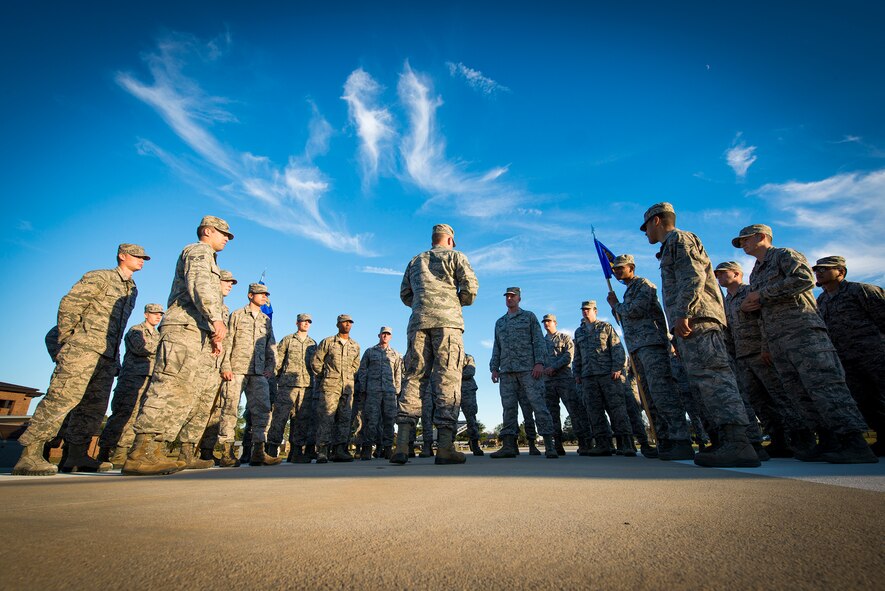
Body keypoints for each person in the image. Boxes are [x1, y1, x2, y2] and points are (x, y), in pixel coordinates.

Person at [736, 222, 875, 463]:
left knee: (824, 385)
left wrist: (762, 295)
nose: (743, 244)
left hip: (803, 333)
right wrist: (759, 326)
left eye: (746, 239)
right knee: (799, 392)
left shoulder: (784, 255)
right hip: (777, 338)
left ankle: (854, 442)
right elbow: (763, 309)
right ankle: (828, 439)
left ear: (761, 237)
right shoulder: (756, 271)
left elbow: (804, 279)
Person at [641, 203, 759, 467]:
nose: (645, 232)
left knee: (713, 377)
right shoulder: (671, 244)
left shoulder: (680, 239)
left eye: (646, 226)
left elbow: (692, 276)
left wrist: (683, 312)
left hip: (698, 320)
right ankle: (723, 439)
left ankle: (739, 442)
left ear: (657, 221)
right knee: (702, 381)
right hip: (690, 321)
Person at [14, 243, 145, 476]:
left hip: (106, 355)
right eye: (136, 256)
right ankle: (30, 453)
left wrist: (114, 357)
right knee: (61, 398)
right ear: (122, 256)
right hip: (83, 348)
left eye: (143, 257)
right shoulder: (100, 277)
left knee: (93, 407)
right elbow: (70, 305)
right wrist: (67, 342)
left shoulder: (131, 289)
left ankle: (76, 454)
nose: (141, 260)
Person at [123, 216, 232, 476]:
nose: (226, 238)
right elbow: (200, 286)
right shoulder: (199, 251)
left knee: (183, 392)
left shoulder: (209, 257)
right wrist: (216, 318)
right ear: (207, 231)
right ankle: (141, 452)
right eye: (223, 233)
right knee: (168, 387)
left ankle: (155, 449)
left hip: (195, 330)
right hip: (183, 328)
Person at [392, 224, 478, 465]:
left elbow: (405, 294)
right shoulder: (456, 256)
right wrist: (452, 304)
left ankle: (401, 446)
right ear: (450, 240)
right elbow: (470, 290)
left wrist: (423, 306)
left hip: (418, 323)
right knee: (447, 378)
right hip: (447, 324)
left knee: (413, 377)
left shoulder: (415, 261)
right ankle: (445, 447)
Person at [715, 261, 806, 458]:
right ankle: (778, 439)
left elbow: (764, 319)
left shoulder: (750, 292)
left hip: (760, 352)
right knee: (758, 401)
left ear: (737, 274)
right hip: (742, 355)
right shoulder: (725, 301)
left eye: (723, 273)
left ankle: (801, 437)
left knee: (779, 395)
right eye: (717, 274)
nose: (719, 277)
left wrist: (766, 346)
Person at [606, 254, 693, 460]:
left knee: (662, 392)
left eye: (621, 268)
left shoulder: (643, 285)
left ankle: (681, 439)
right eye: (615, 269)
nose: (617, 272)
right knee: (649, 397)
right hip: (637, 348)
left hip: (652, 344)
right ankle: (664, 440)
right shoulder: (628, 292)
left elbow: (635, 310)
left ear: (631, 268)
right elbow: (624, 320)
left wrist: (615, 304)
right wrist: (617, 306)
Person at [813, 256, 885, 456]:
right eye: (817, 270)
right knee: (865, 399)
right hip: (845, 358)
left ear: (841, 272)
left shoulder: (860, 290)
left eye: (825, 269)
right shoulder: (822, 300)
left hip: (873, 353)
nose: (819, 273)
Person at [215, 283, 279, 467]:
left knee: (262, 411)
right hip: (236, 369)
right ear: (250, 295)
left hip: (258, 372)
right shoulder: (237, 315)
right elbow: (228, 340)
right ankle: (227, 453)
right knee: (230, 409)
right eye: (260, 294)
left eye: (266, 294)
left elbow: (271, 346)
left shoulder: (265, 320)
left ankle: (258, 452)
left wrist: (270, 367)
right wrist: (225, 366)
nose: (264, 297)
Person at [489, 287, 557, 459]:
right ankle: (509, 446)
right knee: (508, 408)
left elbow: (539, 341)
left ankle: (549, 445)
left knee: (538, 405)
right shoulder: (500, 322)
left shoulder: (529, 317)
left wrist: (539, 363)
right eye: (507, 296)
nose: (509, 299)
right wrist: (494, 368)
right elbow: (497, 346)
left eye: (513, 296)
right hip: (507, 372)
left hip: (529, 370)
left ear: (519, 298)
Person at [97, 303, 164, 468]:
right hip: (131, 378)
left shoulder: (157, 335)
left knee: (137, 417)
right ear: (146, 314)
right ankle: (106, 451)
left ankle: (122, 451)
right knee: (123, 414)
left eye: (160, 314)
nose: (157, 316)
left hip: (148, 378)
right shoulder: (136, 331)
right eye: (154, 313)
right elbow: (142, 348)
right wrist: (165, 348)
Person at [572, 300, 634, 457]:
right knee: (594, 410)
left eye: (588, 309)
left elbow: (617, 348)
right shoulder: (579, 332)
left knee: (617, 409)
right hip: (588, 376)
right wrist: (577, 373)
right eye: (583, 310)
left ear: (595, 311)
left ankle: (625, 444)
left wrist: (617, 367)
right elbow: (577, 355)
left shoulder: (606, 327)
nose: (585, 312)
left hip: (608, 374)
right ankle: (603, 444)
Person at [311, 315, 361, 463]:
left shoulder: (355, 346)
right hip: (330, 385)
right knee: (326, 416)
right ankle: (322, 450)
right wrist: (324, 378)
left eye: (350, 323)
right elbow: (316, 362)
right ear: (338, 324)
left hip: (347, 387)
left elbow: (355, 365)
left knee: (345, 418)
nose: (347, 325)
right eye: (344, 322)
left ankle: (339, 449)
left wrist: (348, 377)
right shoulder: (328, 342)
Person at [268, 313, 317, 463]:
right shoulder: (288, 340)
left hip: (306, 386)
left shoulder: (312, 344)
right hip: (287, 385)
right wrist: (277, 378)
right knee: (280, 417)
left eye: (308, 322)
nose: (306, 324)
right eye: (303, 321)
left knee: (301, 420)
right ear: (297, 323)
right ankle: (271, 449)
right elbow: (278, 360)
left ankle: (296, 452)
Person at [541, 313, 592, 456]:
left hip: (564, 380)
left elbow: (569, 355)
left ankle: (585, 442)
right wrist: (545, 370)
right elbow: (537, 358)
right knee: (552, 414)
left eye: (549, 321)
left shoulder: (565, 338)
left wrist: (553, 367)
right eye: (544, 321)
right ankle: (557, 444)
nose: (546, 324)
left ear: (555, 323)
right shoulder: (541, 342)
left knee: (575, 411)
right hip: (548, 382)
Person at [355, 327, 403, 460]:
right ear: (379, 335)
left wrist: (397, 390)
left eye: (388, 334)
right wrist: (364, 387)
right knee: (371, 420)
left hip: (389, 391)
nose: (385, 336)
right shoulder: (370, 352)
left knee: (389, 420)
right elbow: (363, 370)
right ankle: (367, 448)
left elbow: (398, 373)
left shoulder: (395, 354)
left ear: (391, 337)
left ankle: (388, 448)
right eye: (383, 334)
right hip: (373, 391)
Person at [461, 354, 483, 456]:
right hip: (450, 390)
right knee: (449, 418)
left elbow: (470, 372)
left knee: (471, 418)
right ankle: (448, 445)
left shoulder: (468, 357)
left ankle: (475, 444)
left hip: (467, 390)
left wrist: (452, 375)